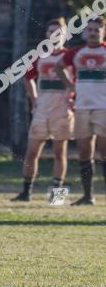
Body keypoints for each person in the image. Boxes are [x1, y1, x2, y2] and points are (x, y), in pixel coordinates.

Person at [12, 18, 73, 202]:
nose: (54, 36)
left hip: (62, 111)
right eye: (50, 32)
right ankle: (26, 192)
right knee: (31, 152)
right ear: (46, 36)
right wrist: (34, 99)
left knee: (59, 153)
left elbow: (78, 81)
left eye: (58, 32)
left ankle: (57, 196)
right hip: (42, 111)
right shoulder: (40, 56)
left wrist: (72, 99)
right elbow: (28, 78)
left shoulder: (70, 57)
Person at [57, 16, 106, 205]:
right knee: (84, 153)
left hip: (103, 108)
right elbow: (59, 66)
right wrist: (70, 86)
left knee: (105, 153)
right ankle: (88, 196)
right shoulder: (77, 52)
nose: (93, 33)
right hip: (82, 108)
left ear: (103, 32)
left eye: (97, 29)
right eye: (90, 29)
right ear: (85, 32)